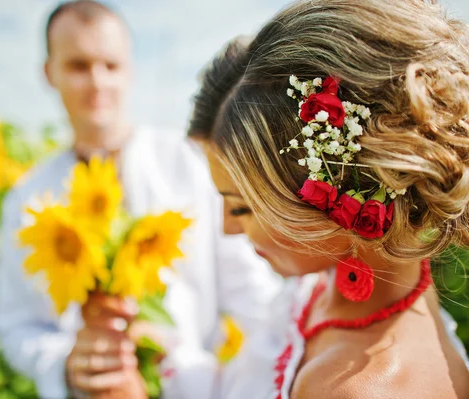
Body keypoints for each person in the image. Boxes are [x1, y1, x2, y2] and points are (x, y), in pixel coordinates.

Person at [0, 1, 281, 398]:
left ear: (130, 69)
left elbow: (254, 295)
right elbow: (15, 324)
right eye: (78, 66)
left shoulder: (190, 161)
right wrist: (66, 365)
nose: (97, 82)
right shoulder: (27, 198)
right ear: (49, 72)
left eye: (110, 65)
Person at [189, 0, 469, 397]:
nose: (227, 228)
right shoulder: (362, 285)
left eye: (241, 207)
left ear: (336, 194)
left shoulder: (352, 388)